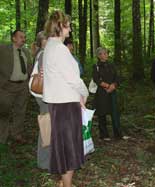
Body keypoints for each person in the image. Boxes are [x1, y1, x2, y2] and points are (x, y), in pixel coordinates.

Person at [43, 10, 89, 187]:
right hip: (65, 105)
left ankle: (64, 183)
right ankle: (67, 185)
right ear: (60, 26)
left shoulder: (50, 46)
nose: (70, 30)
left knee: (65, 144)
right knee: (68, 147)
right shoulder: (59, 49)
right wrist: (84, 93)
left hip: (60, 103)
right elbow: (73, 79)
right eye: (68, 26)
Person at [0, 30, 32, 144]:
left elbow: (29, 68)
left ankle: (16, 134)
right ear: (14, 38)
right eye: (21, 37)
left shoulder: (26, 52)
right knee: (4, 111)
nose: (23, 39)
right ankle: (2, 137)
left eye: (24, 37)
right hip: (6, 86)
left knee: (20, 111)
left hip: (23, 86)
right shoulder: (3, 49)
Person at [29, 31, 49, 170]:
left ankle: (46, 160)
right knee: (46, 128)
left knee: (46, 127)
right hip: (45, 97)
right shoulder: (44, 54)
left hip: (43, 96)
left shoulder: (41, 54)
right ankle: (44, 162)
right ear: (43, 41)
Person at [92, 47, 122, 141]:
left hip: (112, 91)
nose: (105, 55)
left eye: (106, 53)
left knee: (115, 112)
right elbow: (96, 79)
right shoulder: (96, 66)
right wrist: (107, 86)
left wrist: (114, 85)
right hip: (102, 93)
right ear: (98, 56)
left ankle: (118, 134)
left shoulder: (111, 65)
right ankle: (104, 135)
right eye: (103, 54)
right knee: (102, 113)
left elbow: (117, 77)